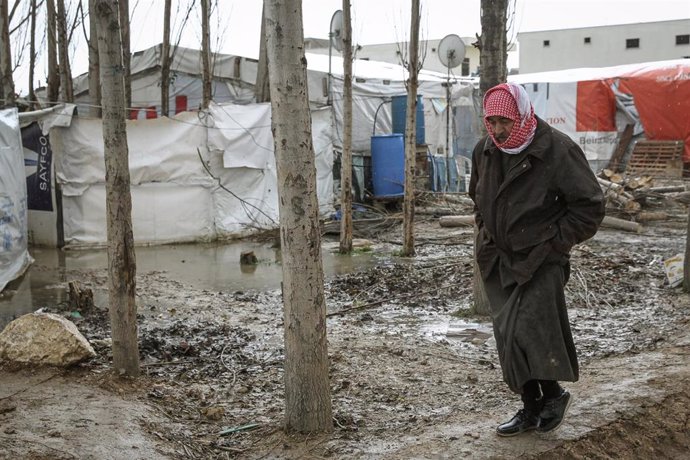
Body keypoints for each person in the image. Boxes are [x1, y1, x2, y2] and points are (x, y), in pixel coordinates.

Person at [468, 82, 605, 437]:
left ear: (523, 115)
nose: (497, 131)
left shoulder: (557, 149)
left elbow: (589, 207)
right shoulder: (484, 150)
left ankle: (555, 395)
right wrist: (486, 236)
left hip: (541, 258)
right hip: (498, 259)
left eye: (505, 122)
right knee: (509, 337)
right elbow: (477, 198)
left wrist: (555, 243)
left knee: (534, 330)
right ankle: (530, 407)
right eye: (491, 121)